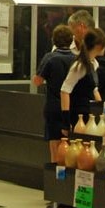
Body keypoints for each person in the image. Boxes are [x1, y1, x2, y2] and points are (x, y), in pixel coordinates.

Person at [32, 24, 76, 162]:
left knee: (55, 144)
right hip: (72, 105)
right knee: (73, 144)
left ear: (53, 40)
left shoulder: (50, 58)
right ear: (71, 40)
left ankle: (56, 175)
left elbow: (38, 81)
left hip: (54, 106)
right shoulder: (76, 59)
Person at [60, 28, 105, 135]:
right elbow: (64, 91)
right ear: (98, 46)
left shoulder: (94, 64)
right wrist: (65, 121)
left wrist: (103, 113)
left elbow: (95, 90)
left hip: (89, 112)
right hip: (77, 113)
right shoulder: (80, 66)